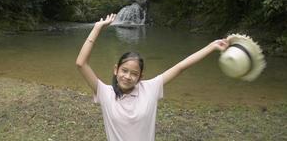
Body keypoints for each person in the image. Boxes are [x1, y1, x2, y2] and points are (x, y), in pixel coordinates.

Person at [75, 14, 229, 141]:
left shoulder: (150, 88)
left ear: (141, 77)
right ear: (116, 70)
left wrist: (211, 47)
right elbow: (81, 63)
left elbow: (181, 67)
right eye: (124, 70)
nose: (128, 77)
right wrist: (97, 28)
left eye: (134, 74)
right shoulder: (105, 93)